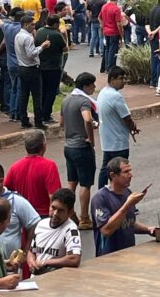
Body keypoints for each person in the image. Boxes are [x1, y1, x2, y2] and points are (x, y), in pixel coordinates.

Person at [91, 157, 160, 256]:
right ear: (113, 175)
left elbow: (128, 223)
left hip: (129, 255)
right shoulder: (100, 198)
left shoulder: (127, 193)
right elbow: (106, 230)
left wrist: (148, 230)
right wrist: (127, 205)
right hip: (109, 258)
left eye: (130, 171)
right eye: (126, 172)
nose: (130, 175)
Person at [60, 73, 97, 229]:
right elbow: (87, 119)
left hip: (68, 146)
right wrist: (90, 138)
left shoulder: (66, 100)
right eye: (93, 85)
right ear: (86, 86)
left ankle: (68, 212)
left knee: (71, 182)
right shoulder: (83, 101)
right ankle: (84, 218)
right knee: (85, 184)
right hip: (81, 147)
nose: (94, 88)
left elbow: (61, 123)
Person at [96, 66, 139, 189]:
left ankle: (102, 194)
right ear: (112, 79)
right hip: (119, 142)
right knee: (122, 172)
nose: (124, 81)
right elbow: (127, 118)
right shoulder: (116, 96)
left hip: (108, 141)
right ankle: (121, 197)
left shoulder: (103, 92)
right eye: (121, 78)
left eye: (125, 78)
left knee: (106, 170)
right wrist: (133, 128)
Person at [4, 130, 61, 218]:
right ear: (44, 146)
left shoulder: (15, 167)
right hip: (43, 215)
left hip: (22, 215)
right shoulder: (49, 166)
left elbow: (5, 190)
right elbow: (54, 196)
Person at [27, 188, 81, 275]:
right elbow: (31, 251)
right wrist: (32, 262)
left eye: (61, 210)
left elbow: (74, 259)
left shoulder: (71, 230)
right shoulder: (41, 224)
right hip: (36, 279)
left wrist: (46, 262)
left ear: (70, 213)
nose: (55, 213)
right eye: (53, 208)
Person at [14, 13, 50, 129]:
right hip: (31, 69)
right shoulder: (28, 37)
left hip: (21, 67)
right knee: (36, 96)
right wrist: (42, 47)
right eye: (32, 24)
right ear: (25, 24)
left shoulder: (18, 35)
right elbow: (31, 54)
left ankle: (24, 119)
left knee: (24, 95)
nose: (34, 27)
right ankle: (38, 121)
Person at [35, 14, 68, 124]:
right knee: (51, 91)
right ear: (55, 24)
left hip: (41, 66)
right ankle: (46, 114)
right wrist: (65, 36)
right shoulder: (57, 35)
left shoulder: (39, 31)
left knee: (42, 90)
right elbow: (65, 49)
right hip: (54, 67)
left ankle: (41, 112)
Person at [99, 0, 125, 71]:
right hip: (114, 31)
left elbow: (99, 18)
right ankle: (111, 67)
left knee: (107, 49)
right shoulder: (116, 9)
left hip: (106, 31)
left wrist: (103, 26)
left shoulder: (104, 6)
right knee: (113, 50)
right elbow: (118, 23)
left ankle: (107, 66)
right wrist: (121, 34)